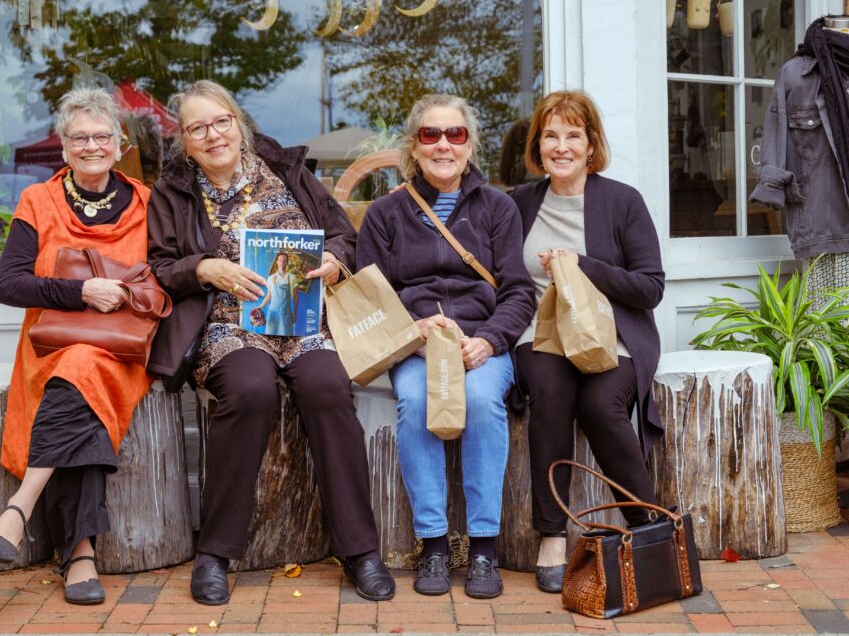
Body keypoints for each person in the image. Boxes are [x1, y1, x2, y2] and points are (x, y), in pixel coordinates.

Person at [146, 79, 395, 606]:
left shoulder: (286, 170)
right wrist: (205, 267)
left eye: (221, 121)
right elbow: (162, 267)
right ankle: (215, 552)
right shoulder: (173, 191)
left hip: (302, 319)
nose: (213, 135)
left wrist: (333, 260)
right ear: (184, 141)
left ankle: (360, 550)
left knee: (329, 387)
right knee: (251, 389)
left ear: (239, 123)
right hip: (229, 324)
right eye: (198, 128)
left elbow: (343, 234)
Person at [0, 87, 154, 605]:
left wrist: (122, 292)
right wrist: (79, 291)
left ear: (120, 145)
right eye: (80, 137)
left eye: (102, 136)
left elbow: (165, 277)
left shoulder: (147, 203)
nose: (91, 145)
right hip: (53, 348)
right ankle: (81, 555)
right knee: (77, 380)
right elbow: (8, 284)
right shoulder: (38, 200)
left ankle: (20, 508)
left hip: (121, 349)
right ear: (64, 146)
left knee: (83, 372)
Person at [356, 94, 535, 600]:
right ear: (414, 146)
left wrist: (490, 340)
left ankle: (483, 548)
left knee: (480, 401)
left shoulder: (498, 208)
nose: (443, 145)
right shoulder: (386, 213)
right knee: (417, 401)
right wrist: (413, 332)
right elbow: (375, 293)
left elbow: (519, 290)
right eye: (430, 135)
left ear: (469, 143)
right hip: (417, 347)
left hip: (481, 342)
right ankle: (433, 543)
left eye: (455, 134)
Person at [510, 90, 665, 594]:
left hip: (610, 336)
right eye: (550, 135)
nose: (561, 146)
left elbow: (651, 287)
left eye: (573, 135)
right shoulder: (520, 203)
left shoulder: (622, 201)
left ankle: (651, 533)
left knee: (601, 407)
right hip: (541, 335)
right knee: (551, 398)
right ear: (537, 145)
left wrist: (585, 266)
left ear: (591, 144)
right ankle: (552, 535)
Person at [260, 251, 298, 335]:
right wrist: (260, 307)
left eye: (284, 261)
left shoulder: (292, 278)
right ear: (277, 262)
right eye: (280, 261)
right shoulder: (271, 278)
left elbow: (295, 297)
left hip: (286, 313)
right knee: (270, 335)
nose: (282, 263)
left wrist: (295, 313)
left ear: (287, 262)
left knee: (287, 335)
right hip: (273, 313)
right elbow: (268, 296)